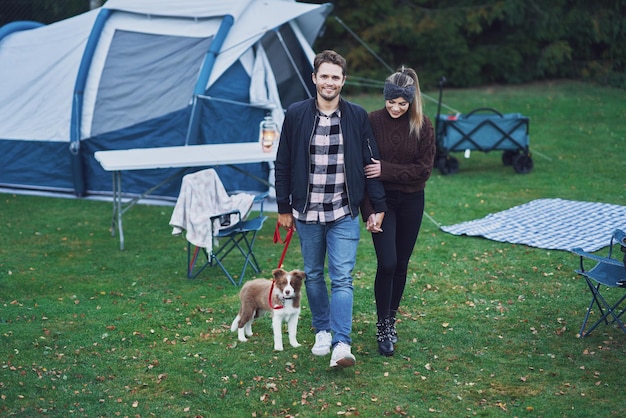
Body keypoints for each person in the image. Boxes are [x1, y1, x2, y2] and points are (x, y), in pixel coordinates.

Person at [275, 50, 387, 368]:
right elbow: (282, 163)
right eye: (324, 76)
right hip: (307, 212)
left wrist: (376, 206)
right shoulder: (296, 114)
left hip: (343, 211)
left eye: (335, 77)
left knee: (342, 278)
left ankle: (341, 343)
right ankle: (322, 329)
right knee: (312, 275)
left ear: (343, 81)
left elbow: (369, 164)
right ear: (314, 78)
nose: (329, 82)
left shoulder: (356, 116)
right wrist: (284, 207)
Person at [362, 67, 436, 356]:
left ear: (412, 100)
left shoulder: (422, 125)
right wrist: (368, 210)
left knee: (402, 263)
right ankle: (382, 325)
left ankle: (390, 321)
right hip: (382, 204)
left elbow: (424, 170)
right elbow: (364, 170)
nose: (395, 108)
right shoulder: (371, 121)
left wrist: (387, 170)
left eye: (402, 103)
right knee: (388, 263)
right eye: (391, 101)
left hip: (411, 201)